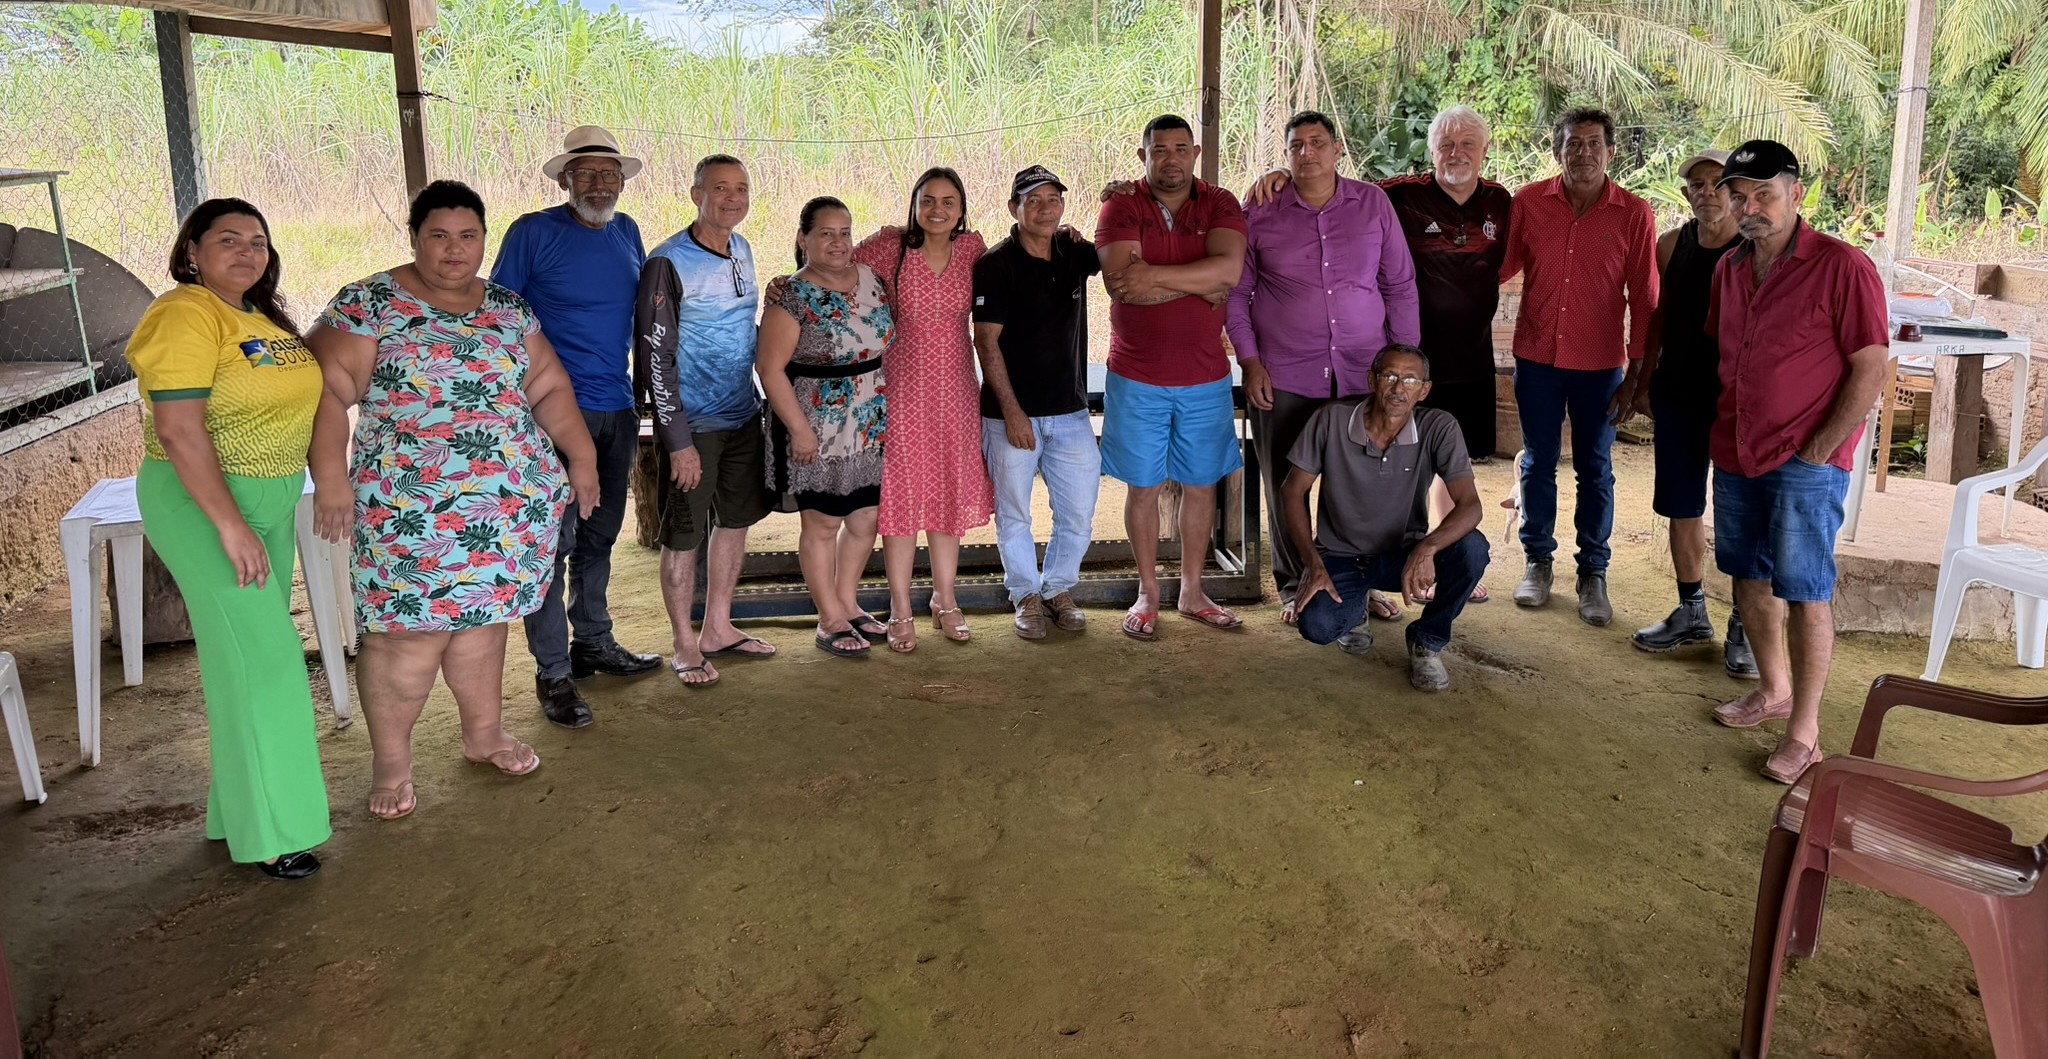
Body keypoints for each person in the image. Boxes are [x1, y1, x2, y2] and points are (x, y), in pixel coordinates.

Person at [309, 180, 597, 821]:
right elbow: (326, 391)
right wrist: (330, 478)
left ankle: (483, 735)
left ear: (483, 241)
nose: (453, 250)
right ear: (415, 237)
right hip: (412, 510)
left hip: (504, 511)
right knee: (408, 638)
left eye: (467, 236)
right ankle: (392, 764)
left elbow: (548, 387)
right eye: (438, 236)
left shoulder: (506, 308)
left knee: (484, 626)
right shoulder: (369, 303)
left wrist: (581, 457)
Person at [128, 198, 330, 879]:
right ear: (192, 250)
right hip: (206, 503)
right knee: (268, 660)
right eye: (229, 240)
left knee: (239, 657)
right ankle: (274, 830)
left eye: (259, 242)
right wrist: (229, 523)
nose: (248, 252)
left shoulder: (259, 317)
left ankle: (236, 810)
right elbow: (180, 429)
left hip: (264, 498)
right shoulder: (185, 313)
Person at [1701, 141, 1889, 783]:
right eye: (1740, 195)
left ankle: (1804, 731)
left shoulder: (1843, 267)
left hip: (1806, 459)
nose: (1750, 208)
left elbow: (1870, 368)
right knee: (1749, 577)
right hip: (1737, 450)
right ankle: (1773, 688)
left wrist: (1819, 448)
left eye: (1765, 194)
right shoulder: (1729, 270)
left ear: (1797, 193)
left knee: (1805, 589)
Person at [492, 124, 660, 729]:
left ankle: (593, 640)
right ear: (564, 179)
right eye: (584, 172)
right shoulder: (533, 233)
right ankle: (554, 673)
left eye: (608, 172)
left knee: (600, 533)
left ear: (621, 180)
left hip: (616, 405)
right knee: (552, 543)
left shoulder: (628, 233)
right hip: (552, 413)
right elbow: (498, 319)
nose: (598, 182)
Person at [1224, 110, 1419, 630]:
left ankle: (1358, 581)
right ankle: (1296, 582)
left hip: (1363, 375)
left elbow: (1398, 284)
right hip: (1284, 374)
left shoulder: (1372, 203)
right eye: (1296, 146)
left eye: (1317, 143)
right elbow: (1238, 294)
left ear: (1338, 149)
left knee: (1356, 483)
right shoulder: (1261, 209)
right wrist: (1250, 361)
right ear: (1286, 155)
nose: (1306, 153)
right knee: (1285, 480)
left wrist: (1405, 372)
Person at [1095, 113, 1250, 642]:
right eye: (1159, 149)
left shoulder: (1221, 203)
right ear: (1144, 155)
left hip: (1205, 377)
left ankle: (1191, 589)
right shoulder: (1121, 204)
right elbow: (1122, 287)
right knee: (1144, 488)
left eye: (1181, 148)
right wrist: (1198, 284)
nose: (1171, 158)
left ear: (1195, 153)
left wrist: (1157, 274)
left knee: (1201, 485)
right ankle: (1148, 591)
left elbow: (1227, 274)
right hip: (1136, 376)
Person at [1500, 108, 1658, 626]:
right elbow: (1495, 268)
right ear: (1557, 151)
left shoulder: (1634, 215)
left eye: (1594, 144)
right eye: (1573, 144)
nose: (1583, 153)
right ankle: (1537, 562)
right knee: (1537, 462)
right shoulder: (1528, 203)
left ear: (1610, 152)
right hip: (1538, 357)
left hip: (1600, 366)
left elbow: (1647, 299)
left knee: (1596, 469)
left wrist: (1637, 377)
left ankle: (1593, 571)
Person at [636, 154, 776, 687]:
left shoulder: (742, 248)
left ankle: (718, 627)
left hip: (742, 414)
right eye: (720, 188)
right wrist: (677, 442)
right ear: (696, 194)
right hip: (692, 426)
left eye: (741, 188)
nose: (732, 198)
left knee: (735, 525)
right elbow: (654, 358)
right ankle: (683, 641)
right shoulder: (667, 262)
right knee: (684, 534)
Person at [1283, 345, 1489, 690]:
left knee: (1472, 549)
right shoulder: (1331, 419)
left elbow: (1471, 505)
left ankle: (1427, 641)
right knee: (1317, 627)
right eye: (1390, 377)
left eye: (1410, 380)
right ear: (1372, 380)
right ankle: (1355, 610)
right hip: (1341, 556)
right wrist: (1312, 563)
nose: (1398, 388)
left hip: (1402, 555)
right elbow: (1292, 491)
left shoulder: (1438, 426)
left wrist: (1427, 549)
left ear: (1424, 390)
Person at [1628, 149, 1759, 678]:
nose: (1706, 193)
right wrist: (1643, 380)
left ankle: (1746, 626)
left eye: (1715, 183)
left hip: (1735, 401)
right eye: (1695, 185)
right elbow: (1658, 317)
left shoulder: (1754, 248)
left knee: (1741, 515)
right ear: (1686, 194)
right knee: (1682, 506)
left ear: (1734, 192)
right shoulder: (1669, 246)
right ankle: (1692, 610)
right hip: (1678, 394)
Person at [853, 167, 994, 650]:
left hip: (956, 389)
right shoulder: (890, 248)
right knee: (901, 496)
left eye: (948, 201)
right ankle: (899, 605)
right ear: (914, 203)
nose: (937, 209)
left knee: (947, 489)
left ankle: (945, 599)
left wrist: (1064, 233)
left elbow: (1016, 263)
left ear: (961, 208)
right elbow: (833, 261)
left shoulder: (973, 249)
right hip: (901, 388)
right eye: (928, 200)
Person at [1380, 105, 1514, 605]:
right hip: (1409, 365)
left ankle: (1449, 560)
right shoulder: (1399, 195)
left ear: (1484, 150)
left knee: (1452, 467)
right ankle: (1387, 565)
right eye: (1446, 144)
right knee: (1395, 465)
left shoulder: (1502, 202)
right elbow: (1335, 194)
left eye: (1467, 145)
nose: (1456, 153)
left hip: (1472, 362)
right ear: (1431, 149)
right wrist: (1284, 175)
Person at [758, 196, 892, 658]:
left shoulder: (872, 278)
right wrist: (799, 430)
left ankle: (848, 602)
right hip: (817, 420)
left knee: (865, 518)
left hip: (871, 418)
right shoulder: (792, 295)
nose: (838, 242)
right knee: (823, 521)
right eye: (826, 233)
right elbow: (770, 368)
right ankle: (829, 617)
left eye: (844, 232)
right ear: (803, 238)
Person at [973, 165, 1103, 638]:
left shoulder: (1073, 252)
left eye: (1054, 199)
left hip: (1069, 412)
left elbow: (1122, 250)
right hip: (1012, 415)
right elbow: (986, 343)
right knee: (1015, 513)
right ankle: (1026, 594)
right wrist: (1012, 413)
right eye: (1034, 200)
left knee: (1079, 511)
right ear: (1014, 208)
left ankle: (1058, 588)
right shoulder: (996, 264)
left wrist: (1119, 194)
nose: (1046, 209)